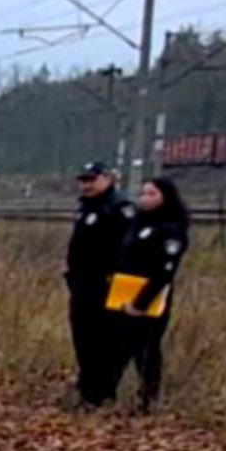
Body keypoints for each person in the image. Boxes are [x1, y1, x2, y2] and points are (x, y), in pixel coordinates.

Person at [101, 176, 189, 411]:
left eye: (152, 194)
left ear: (166, 198)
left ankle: (148, 400)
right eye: (143, 193)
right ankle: (105, 395)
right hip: (123, 295)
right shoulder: (138, 225)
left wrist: (140, 303)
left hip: (149, 300)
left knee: (146, 351)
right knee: (117, 348)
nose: (145, 199)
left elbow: (164, 272)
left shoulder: (171, 230)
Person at [65, 160, 135, 407]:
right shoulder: (84, 207)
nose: (86, 185)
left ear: (108, 179)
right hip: (82, 283)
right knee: (83, 337)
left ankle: (102, 393)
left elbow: (130, 251)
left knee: (108, 340)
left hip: (109, 284)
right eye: (83, 180)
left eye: (92, 180)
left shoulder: (119, 208)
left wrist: (122, 286)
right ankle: (87, 390)